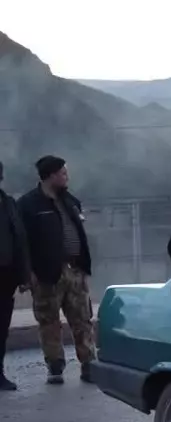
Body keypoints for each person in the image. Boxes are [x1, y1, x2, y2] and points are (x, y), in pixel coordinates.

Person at [16, 155, 96, 385]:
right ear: (50, 176)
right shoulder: (28, 205)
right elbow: (23, 242)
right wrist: (27, 272)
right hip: (46, 273)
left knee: (82, 319)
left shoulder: (70, 201)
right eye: (62, 173)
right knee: (48, 321)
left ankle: (89, 362)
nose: (66, 176)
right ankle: (55, 365)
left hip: (75, 270)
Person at [0, 161, 31, 391]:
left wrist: (23, 275)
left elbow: (20, 239)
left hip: (5, 276)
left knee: (1, 328)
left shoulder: (8, 203)